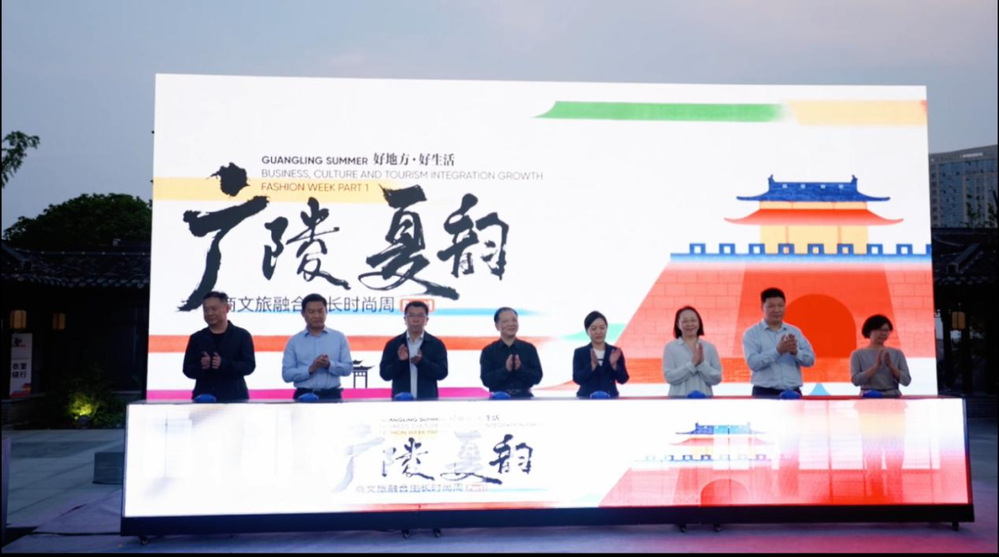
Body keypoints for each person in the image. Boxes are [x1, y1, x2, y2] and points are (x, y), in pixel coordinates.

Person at [182, 291, 256, 402]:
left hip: (235, 398)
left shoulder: (242, 335)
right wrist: (202, 366)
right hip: (203, 398)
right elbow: (187, 369)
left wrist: (224, 364)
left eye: (214, 309)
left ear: (227, 309)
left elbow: (249, 366)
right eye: (206, 310)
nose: (209, 313)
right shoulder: (197, 337)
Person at [742, 287, 815, 398]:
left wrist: (796, 352)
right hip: (764, 392)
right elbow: (753, 363)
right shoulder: (752, 333)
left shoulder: (795, 331)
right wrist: (777, 351)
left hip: (793, 392)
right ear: (762, 308)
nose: (776, 310)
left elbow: (810, 360)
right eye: (771, 306)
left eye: (780, 306)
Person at [281, 293, 354, 401]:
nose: (316, 316)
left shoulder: (339, 337)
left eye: (320, 311)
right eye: (311, 312)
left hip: (331, 395)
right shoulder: (294, 341)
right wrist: (310, 369)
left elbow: (348, 369)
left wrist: (329, 365)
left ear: (326, 311)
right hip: (303, 396)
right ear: (303, 314)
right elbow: (287, 375)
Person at [379, 301, 449, 400]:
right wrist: (400, 361)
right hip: (400, 402)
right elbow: (385, 375)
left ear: (426, 320)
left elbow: (442, 373)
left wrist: (422, 362)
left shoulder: (436, 344)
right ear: (405, 319)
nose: (416, 320)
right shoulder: (393, 344)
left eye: (420, 316)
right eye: (411, 315)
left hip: (428, 402)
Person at [480, 307, 543, 398]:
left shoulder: (529, 348)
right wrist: (505, 370)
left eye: (514, 320)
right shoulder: (489, 351)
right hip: (498, 399)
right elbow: (486, 380)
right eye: (505, 321)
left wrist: (520, 369)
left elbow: (537, 378)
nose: (511, 324)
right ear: (497, 326)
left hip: (524, 398)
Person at [662, 306, 723, 397]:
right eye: (685, 321)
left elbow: (716, 378)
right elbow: (669, 377)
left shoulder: (709, 347)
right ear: (678, 324)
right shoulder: (670, 347)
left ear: (699, 323)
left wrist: (702, 364)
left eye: (693, 320)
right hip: (678, 402)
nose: (689, 324)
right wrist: (692, 364)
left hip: (705, 401)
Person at [850, 314, 911, 397]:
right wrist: (876, 367)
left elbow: (906, 381)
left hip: (893, 397)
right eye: (879, 330)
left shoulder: (897, 353)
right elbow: (856, 381)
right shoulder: (857, 354)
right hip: (868, 397)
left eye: (886, 330)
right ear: (869, 331)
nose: (883, 333)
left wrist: (891, 366)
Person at [572, 311, 629, 398]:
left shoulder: (615, 352)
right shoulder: (580, 352)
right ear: (587, 331)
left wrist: (614, 365)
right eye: (594, 329)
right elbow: (577, 379)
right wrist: (592, 365)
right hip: (586, 399)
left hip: (611, 399)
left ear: (606, 329)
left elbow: (623, 379)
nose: (598, 332)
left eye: (602, 328)